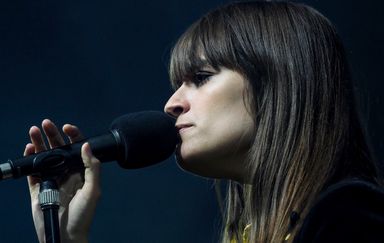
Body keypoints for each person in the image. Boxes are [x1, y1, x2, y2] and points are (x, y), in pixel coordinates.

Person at [24, 1, 384, 242]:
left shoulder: (349, 218)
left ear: (278, 84)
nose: (171, 104)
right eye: (177, 85)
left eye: (201, 77)